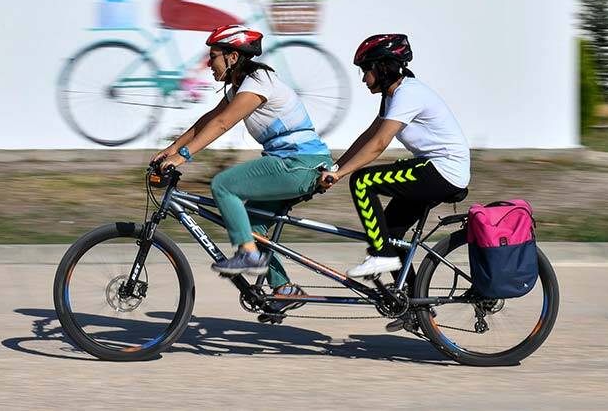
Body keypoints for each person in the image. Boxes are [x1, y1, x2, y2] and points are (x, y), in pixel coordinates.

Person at [155, 25, 332, 311]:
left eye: (213, 56)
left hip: (298, 163)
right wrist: (171, 149)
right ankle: (283, 288)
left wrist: (184, 156)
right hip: (294, 163)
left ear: (233, 57)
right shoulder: (242, 86)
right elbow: (209, 119)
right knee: (251, 225)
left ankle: (248, 255)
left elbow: (224, 123)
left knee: (223, 185)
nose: (207, 63)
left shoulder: (259, 81)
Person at [318, 34, 471, 279]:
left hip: (442, 171)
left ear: (382, 67)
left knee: (362, 181)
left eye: (366, 70)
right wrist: (336, 166)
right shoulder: (392, 96)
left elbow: (379, 144)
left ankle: (381, 256)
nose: (364, 78)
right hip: (433, 170)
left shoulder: (408, 94)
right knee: (390, 237)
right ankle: (412, 307)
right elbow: (369, 136)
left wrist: (342, 174)